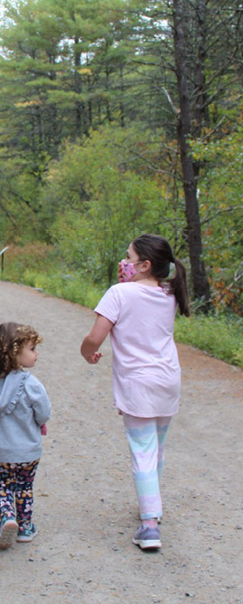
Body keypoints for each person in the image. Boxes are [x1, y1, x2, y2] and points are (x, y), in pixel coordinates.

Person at [80, 234, 190, 550]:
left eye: (128, 258)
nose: (123, 262)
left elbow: (95, 337)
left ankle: (149, 525)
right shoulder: (169, 291)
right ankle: (151, 503)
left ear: (144, 264)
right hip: (168, 380)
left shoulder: (119, 294)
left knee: (142, 450)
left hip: (138, 384)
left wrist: (86, 351)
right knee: (156, 448)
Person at [0, 322, 51, 549]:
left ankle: (7, 517)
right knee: (24, 486)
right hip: (28, 449)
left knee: (4, 485)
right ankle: (25, 527)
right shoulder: (31, 384)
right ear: (16, 353)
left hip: (1, 450)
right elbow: (44, 412)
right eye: (32, 349)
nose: (36, 354)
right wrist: (38, 423)